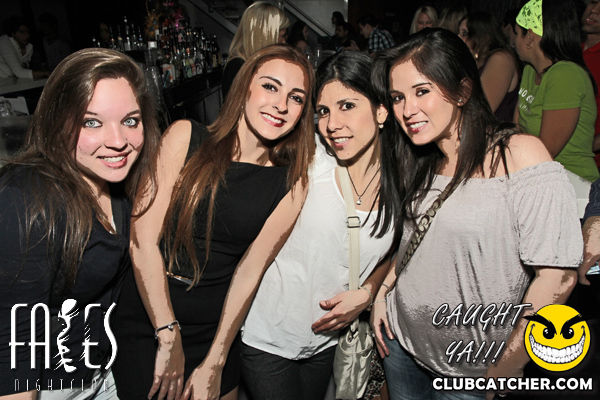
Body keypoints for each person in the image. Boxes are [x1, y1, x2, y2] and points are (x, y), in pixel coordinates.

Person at [371, 28, 581, 399]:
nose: (407, 110)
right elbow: (414, 242)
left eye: (422, 91)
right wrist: (382, 294)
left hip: (473, 370)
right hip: (401, 346)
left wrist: (507, 367)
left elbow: (557, 277)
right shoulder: (423, 157)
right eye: (398, 97)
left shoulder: (518, 154)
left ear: (463, 91)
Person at [110, 44, 315, 400]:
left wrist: (217, 358)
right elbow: (141, 240)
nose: (281, 105)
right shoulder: (185, 137)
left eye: (295, 97)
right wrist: (168, 334)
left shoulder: (292, 182)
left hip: (217, 329)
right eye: (270, 86)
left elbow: (250, 271)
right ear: (245, 87)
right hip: (150, 316)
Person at [0, 47, 161, 399]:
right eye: (92, 122)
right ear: (58, 122)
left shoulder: (118, 182)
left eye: (130, 121)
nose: (118, 142)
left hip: (102, 371)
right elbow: (15, 346)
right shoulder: (27, 202)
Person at [515, 0, 599, 182]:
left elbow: (545, 151)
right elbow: (516, 129)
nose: (513, 42)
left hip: (573, 182)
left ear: (529, 37)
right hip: (539, 178)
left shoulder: (565, 75)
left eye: (517, 33)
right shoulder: (530, 71)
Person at [458, 12, 520, 122]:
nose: (459, 37)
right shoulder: (473, 61)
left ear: (482, 36)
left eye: (464, 33)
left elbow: (481, 110)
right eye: (459, 33)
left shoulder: (501, 59)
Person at [222, 2, 289, 98]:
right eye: (282, 36)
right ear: (266, 36)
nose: (284, 42)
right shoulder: (238, 68)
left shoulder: (255, 64)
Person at [582, 0, 600, 167]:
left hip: (590, 164)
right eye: (593, 2)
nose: (594, 10)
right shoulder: (570, 48)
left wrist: (589, 147)